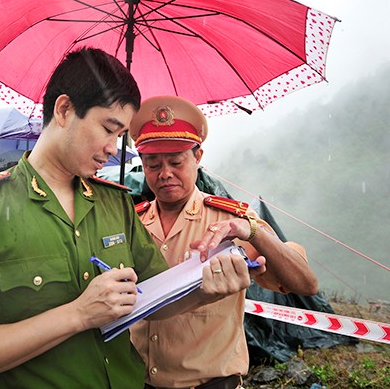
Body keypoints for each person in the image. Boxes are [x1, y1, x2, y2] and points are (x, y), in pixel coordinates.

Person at [0, 48, 253, 389]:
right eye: (108, 128)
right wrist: (78, 315)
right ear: (65, 109)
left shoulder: (115, 205)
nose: (114, 148)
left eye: (120, 136)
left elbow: (154, 299)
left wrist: (206, 289)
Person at [128, 95, 319, 389]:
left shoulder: (230, 221)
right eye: (152, 163)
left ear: (198, 157)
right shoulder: (131, 222)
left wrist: (253, 232)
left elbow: (305, 284)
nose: (164, 173)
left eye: (176, 161)